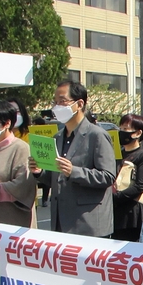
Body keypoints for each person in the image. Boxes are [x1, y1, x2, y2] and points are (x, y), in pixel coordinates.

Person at [29, 80, 117, 237]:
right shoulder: (57, 137)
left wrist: (73, 171)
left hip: (88, 223)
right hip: (60, 221)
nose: (57, 106)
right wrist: (39, 172)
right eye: (55, 102)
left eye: (62, 101)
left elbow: (108, 176)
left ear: (79, 103)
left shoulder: (96, 135)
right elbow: (55, 178)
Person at [112, 114, 143, 242]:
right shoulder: (116, 154)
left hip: (132, 213)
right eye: (120, 129)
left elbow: (141, 185)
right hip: (115, 211)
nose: (121, 132)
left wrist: (116, 197)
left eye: (125, 129)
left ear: (137, 133)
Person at [31, 116, 51, 207]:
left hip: (46, 158)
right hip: (36, 159)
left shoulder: (46, 133)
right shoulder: (31, 134)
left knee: (46, 181)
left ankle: (45, 199)